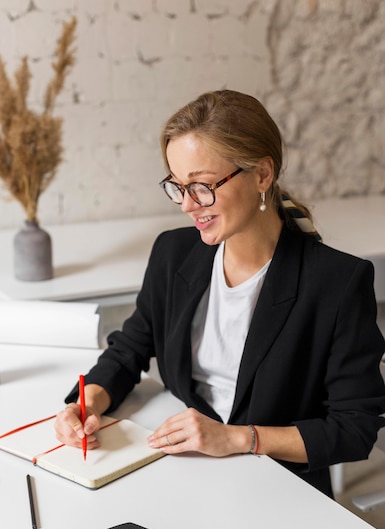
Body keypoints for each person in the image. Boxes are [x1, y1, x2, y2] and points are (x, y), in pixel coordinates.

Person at [55, 89, 385, 497]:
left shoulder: (336, 282)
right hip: (183, 469)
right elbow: (130, 348)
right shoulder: (173, 253)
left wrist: (237, 438)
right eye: (177, 186)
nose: (188, 205)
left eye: (202, 186)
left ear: (262, 175)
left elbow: (354, 428)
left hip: (277, 487)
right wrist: (86, 404)